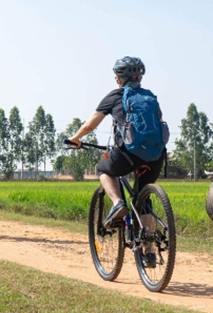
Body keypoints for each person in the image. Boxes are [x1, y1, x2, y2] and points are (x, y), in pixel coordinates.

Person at [67, 56, 167, 269]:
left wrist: (76, 139)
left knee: (103, 168)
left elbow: (90, 125)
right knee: (143, 199)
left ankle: (117, 204)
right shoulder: (150, 98)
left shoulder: (115, 96)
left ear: (119, 79)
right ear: (139, 77)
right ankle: (149, 252)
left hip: (128, 154)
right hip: (156, 156)